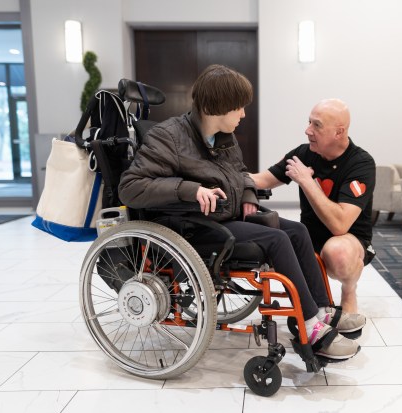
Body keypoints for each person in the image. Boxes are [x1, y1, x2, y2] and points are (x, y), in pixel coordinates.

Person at [118, 65, 360, 360]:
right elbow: (130, 187)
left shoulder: (223, 136)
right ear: (215, 108)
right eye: (238, 108)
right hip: (190, 226)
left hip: (224, 217)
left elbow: (240, 173)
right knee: (276, 239)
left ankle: (321, 312)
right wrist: (189, 189)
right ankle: (310, 326)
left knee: (297, 230)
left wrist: (247, 193)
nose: (243, 115)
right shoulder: (168, 137)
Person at [251, 99, 375, 316]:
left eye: (316, 125)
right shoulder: (304, 153)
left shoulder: (361, 163)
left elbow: (340, 225)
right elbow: (262, 180)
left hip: (349, 239)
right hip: (308, 236)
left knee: (337, 253)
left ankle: (348, 291)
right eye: (309, 122)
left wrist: (307, 181)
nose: (307, 130)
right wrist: (217, 177)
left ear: (339, 132)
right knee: (269, 250)